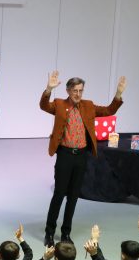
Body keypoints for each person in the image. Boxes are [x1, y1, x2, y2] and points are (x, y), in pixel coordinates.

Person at [41, 71, 126, 246]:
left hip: (81, 157)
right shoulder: (58, 104)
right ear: (68, 91)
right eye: (75, 91)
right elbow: (43, 105)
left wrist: (118, 94)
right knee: (59, 194)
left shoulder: (88, 106)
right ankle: (49, 233)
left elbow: (109, 110)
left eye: (81, 90)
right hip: (64, 155)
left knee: (73, 196)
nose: (78, 94)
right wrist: (49, 88)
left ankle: (66, 233)